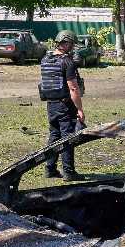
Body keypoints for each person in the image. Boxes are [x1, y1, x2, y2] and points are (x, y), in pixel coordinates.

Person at [37, 30, 85, 180]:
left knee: (54, 135)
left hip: (51, 105)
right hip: (65, 105)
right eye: (71, 44)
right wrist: (80, 109)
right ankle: (69, 172)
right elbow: (73, 88)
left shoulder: (45, 59)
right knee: (67, 138)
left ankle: (50, 169)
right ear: (66, 43)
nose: (72, 47)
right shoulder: (66, 61)